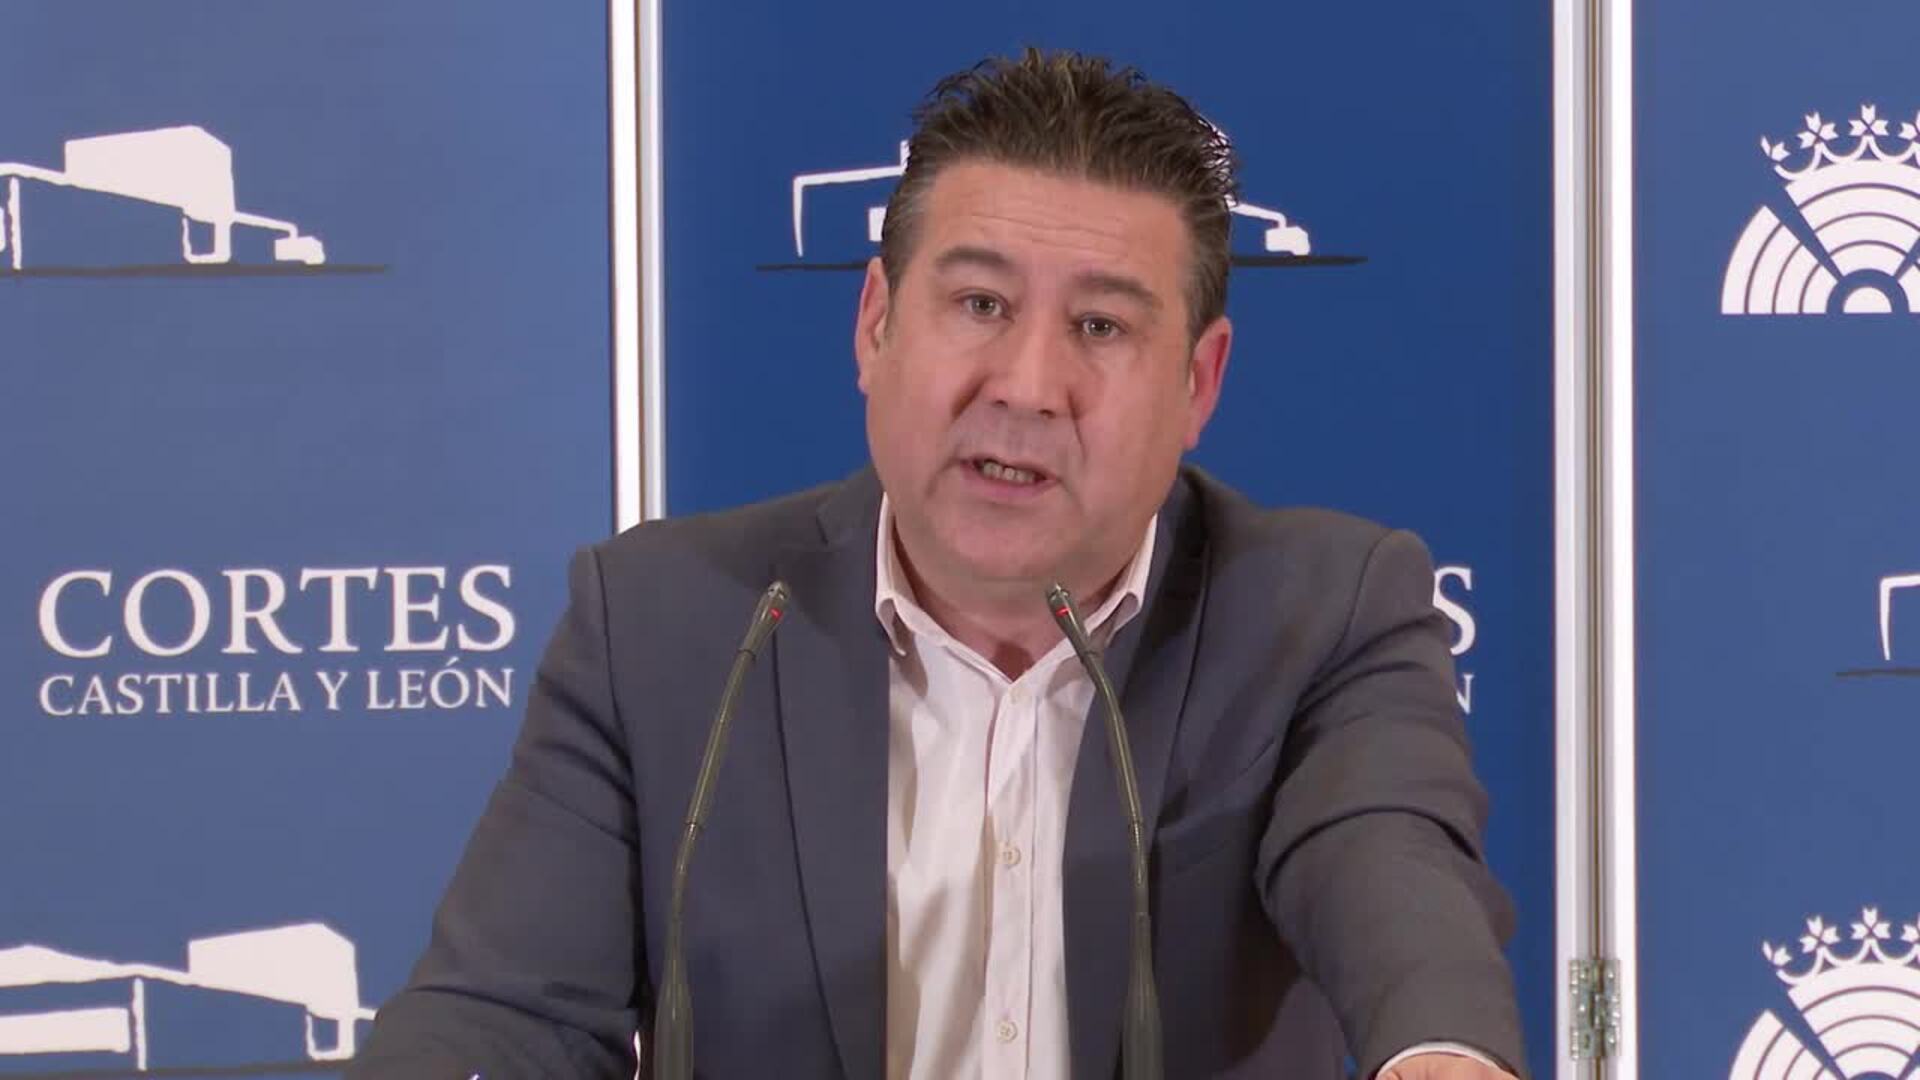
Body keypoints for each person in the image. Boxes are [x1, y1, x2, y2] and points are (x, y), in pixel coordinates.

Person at [351, 49, 1527, 1079]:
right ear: (875, 324)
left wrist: (1439, 1050)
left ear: (1198, 383)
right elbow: (504, 1014)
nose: (1027, 385)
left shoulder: (1323, 612)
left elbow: (1388, 866)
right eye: (978, 303)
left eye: (1102, 327)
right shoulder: (665, 626)